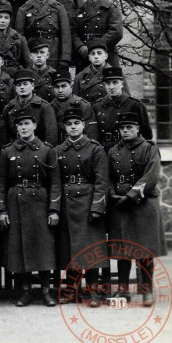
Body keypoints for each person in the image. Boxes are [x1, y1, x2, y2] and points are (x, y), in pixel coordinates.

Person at [0, 108, 62, 307]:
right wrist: (1, 210)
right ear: (16, 127)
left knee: (42, 248)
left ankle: (45, 291)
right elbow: (0, 183)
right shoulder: (7, 151)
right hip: (15, 202)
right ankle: (25, 291)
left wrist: (54, 209)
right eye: (20, 124)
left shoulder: (46, 150)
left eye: (27, 124)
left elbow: (55, 183)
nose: (24, 128)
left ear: (34, 125)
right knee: (20, 247)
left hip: (39, 202)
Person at [107, 112, 164, 307]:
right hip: (120, 204)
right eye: (122, 128)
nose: (125, 131)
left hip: (143, 203)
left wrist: (130, 196)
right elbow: (107, 177)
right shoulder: (113, 151)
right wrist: (113, 194)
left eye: (129, 127)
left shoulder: (149, 149)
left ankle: (146, 290)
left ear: (138, 128)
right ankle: (123, 289)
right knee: (122, 248)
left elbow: (152, 176)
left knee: (144, 248)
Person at [55, 108, 108, 308]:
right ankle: (72, 290)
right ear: (65, 127)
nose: (73, 127)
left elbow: (102, 181)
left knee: (90, 247)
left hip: (88, 202)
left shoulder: (95, 149)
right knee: (70, 248)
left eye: (76, 123)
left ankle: (93, 290)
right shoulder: (59, 150)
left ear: (84, 125)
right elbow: (55, 181)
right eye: (69, 124)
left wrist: (97, 207)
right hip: (67, 202)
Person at [16, 0, 72, 70]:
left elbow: (65, 35)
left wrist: (65, 58)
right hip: (32, 50)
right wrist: (21, 58)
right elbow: (19, 37)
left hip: (53, 50)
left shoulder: (58, 7)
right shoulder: (24, 9)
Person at [72, 0, 124, 69]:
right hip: (85, 56)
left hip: (106, 54)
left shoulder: (110, 9)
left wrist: (95, 47)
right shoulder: (80, 11)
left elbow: (116, 32)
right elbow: (74, 32)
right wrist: (80, 47)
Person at [93, 67, 152, 152]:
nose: (111, 87)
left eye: (115, 82)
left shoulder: (135, 104)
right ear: (104, 85)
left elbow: (146, 134)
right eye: (108, 83)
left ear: (122, 84)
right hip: (103, 150)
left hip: (127, 150)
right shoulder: (97, 105)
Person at [1, 69, 57, 145]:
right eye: (18, 85)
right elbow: (4, 136)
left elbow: (51, 136)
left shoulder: (44, 107)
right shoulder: (8, 108)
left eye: (25, 84)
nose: (22, 87)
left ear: (32, 86)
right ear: (15, 89)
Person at [73, 40, 130, 104]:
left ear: (106, 56)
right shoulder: (80, 77)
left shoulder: (117, 75)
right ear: (89, 57)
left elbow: (126, 102)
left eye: (99, 53)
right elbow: (75, 102)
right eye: (92, 54)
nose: (96, 56)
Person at [50, 70, 97, 145]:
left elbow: (91, 135)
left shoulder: (83, 105)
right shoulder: (49, 107)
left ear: (71, 87)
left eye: (63, 86)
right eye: (57, 87)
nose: (60, 90)